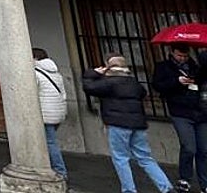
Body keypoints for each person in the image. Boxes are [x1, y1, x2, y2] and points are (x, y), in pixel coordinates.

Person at [83, 55, 174, 193]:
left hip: (118, 124)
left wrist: (93, 73)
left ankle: (129, 190)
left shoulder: (109, 83)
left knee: (121, 158)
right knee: (145, 158)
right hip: (138, 124)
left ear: (108, 67)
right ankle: (166, 187)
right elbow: (143, 93)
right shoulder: (134, 83)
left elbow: (88, 87)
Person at [154, 43, 207, 193]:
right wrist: (177, 82)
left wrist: (195, 80)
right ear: (172, 53)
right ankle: (185, 178)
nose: (182, 59)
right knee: (189, 147)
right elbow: (158, 86)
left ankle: (205, 183)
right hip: (180, 111)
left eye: (185, 56)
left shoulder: (195, 66)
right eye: (179, 55)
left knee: (204, 149)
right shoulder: (164, 67)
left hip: (200, 111)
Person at [33, 48, 68, 181]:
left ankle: (60, 171)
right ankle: (44, 165)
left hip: (45, 113)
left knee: (50, 143)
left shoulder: (36, 73)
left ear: (35, 59)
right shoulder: (55, 73)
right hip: (57, 112)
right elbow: (63, 94)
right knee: (49, 141)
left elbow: (31, 93)